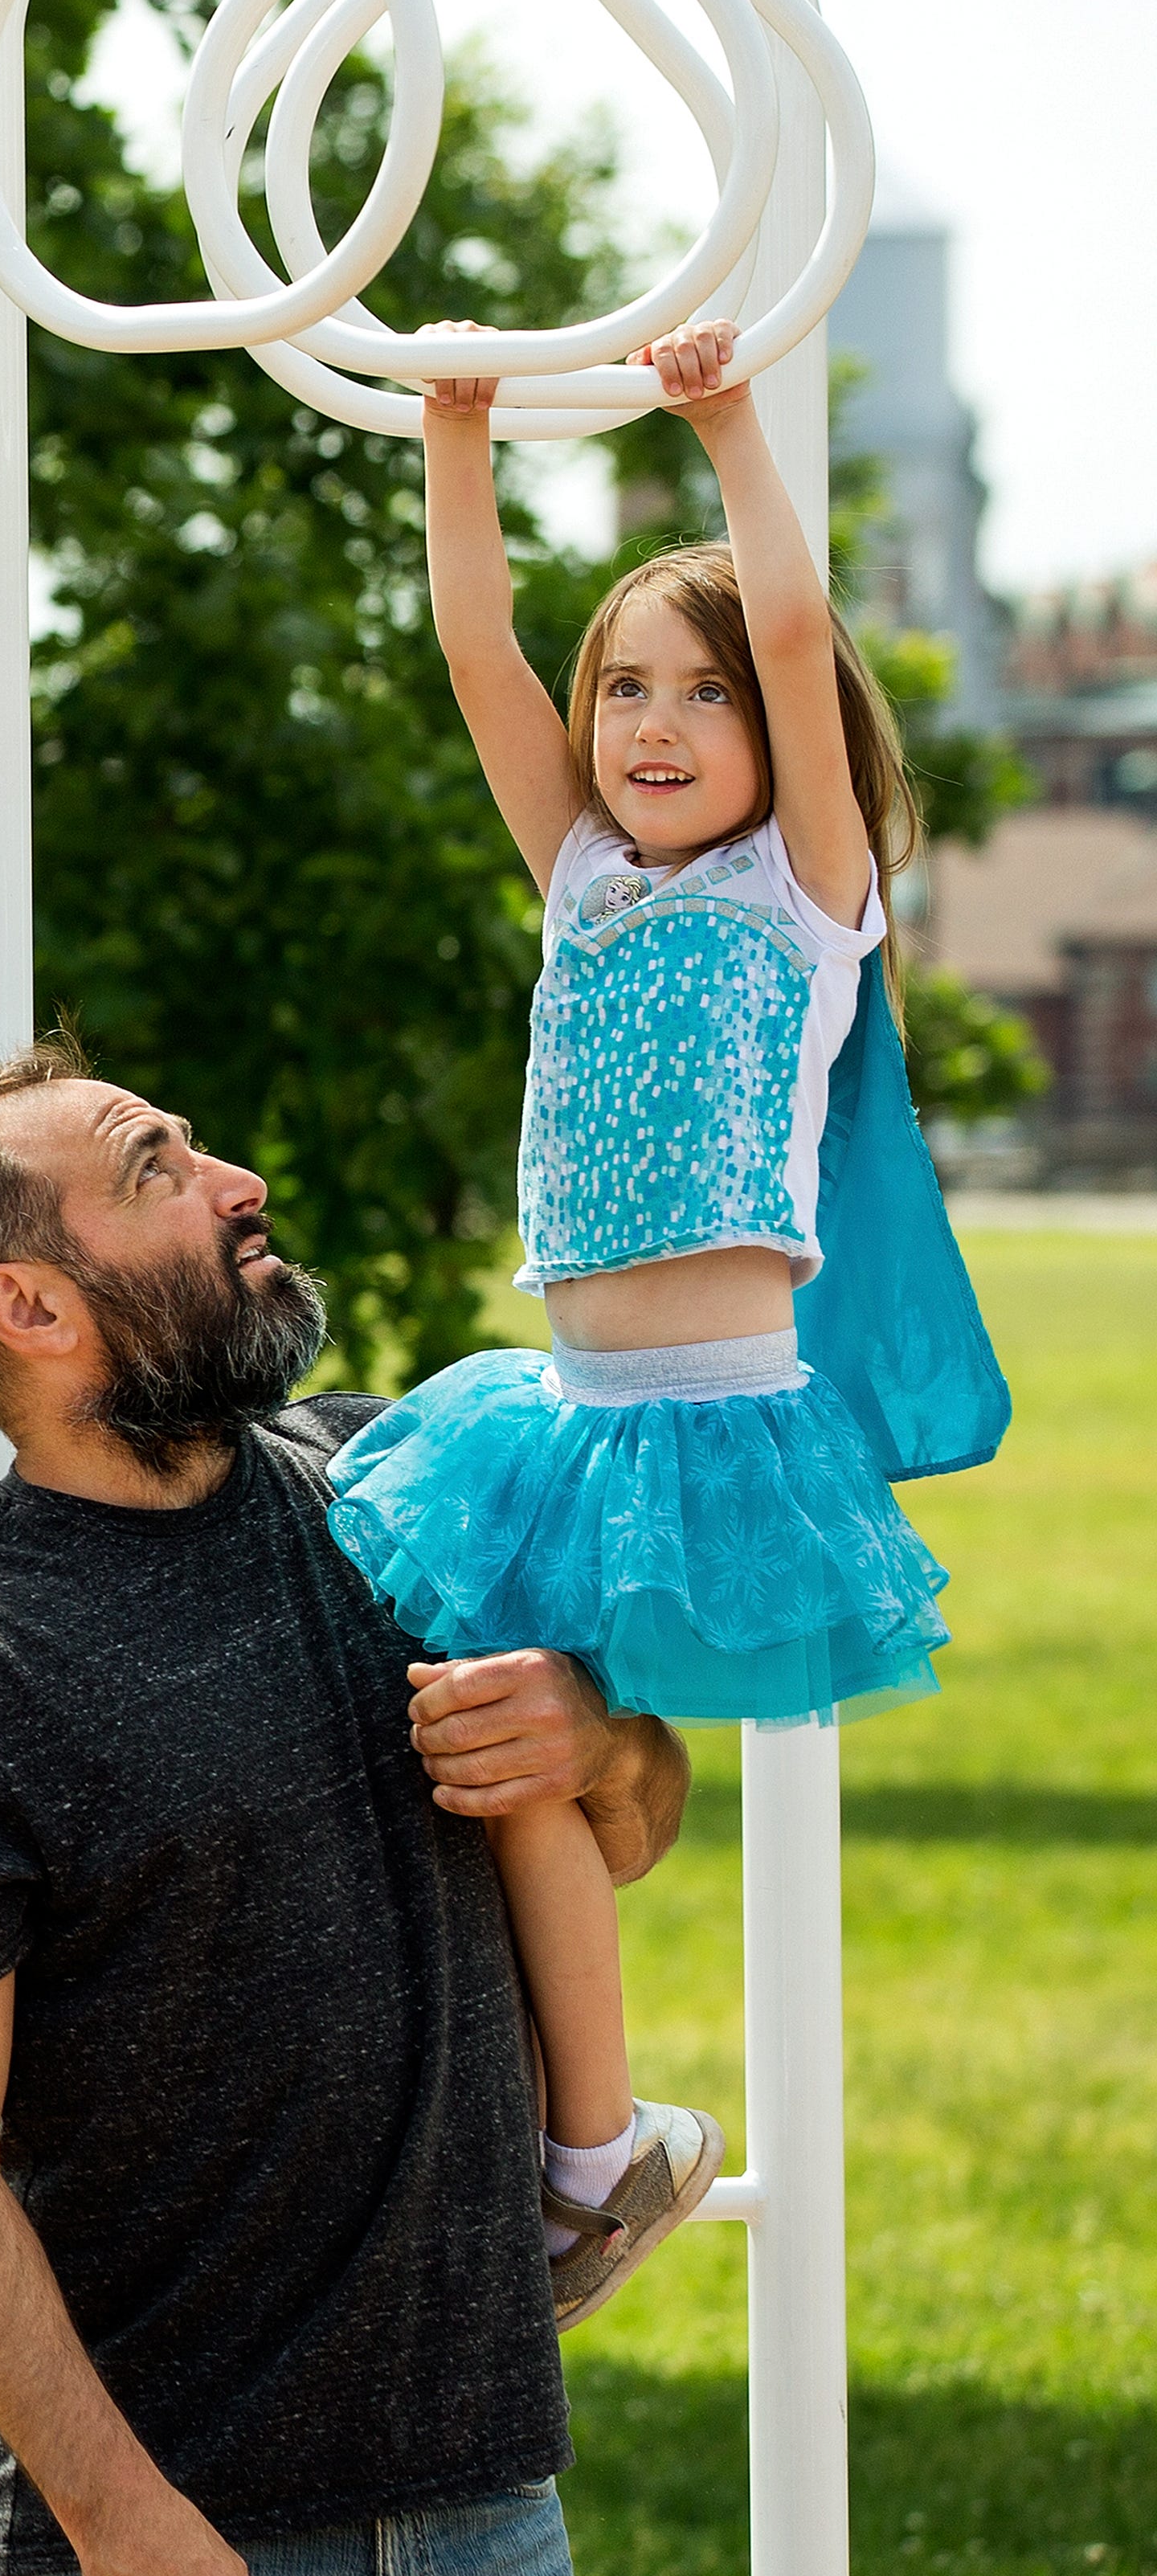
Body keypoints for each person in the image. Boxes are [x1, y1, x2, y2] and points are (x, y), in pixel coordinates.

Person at [0, 1051, 693, 2576]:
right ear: (29, 1304)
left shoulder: (397, 1492)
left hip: (482, 2522)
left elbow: (637, 1823)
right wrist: (125, 2528)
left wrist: (597, 1737)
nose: (235, 1180)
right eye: (157, 1168)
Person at [326, 317, 1006, 2335]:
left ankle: (580, 2142)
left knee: (543, 1731)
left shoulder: (805, 897)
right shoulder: (585, 879)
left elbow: (795, 629)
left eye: (696, 694)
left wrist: (721, 425)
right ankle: (592, 2142)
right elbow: (475, 655)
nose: (653, 718)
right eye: (627, 682)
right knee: (502, 1743)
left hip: (718, 1421)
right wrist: (460, 442)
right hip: (562, 1413)